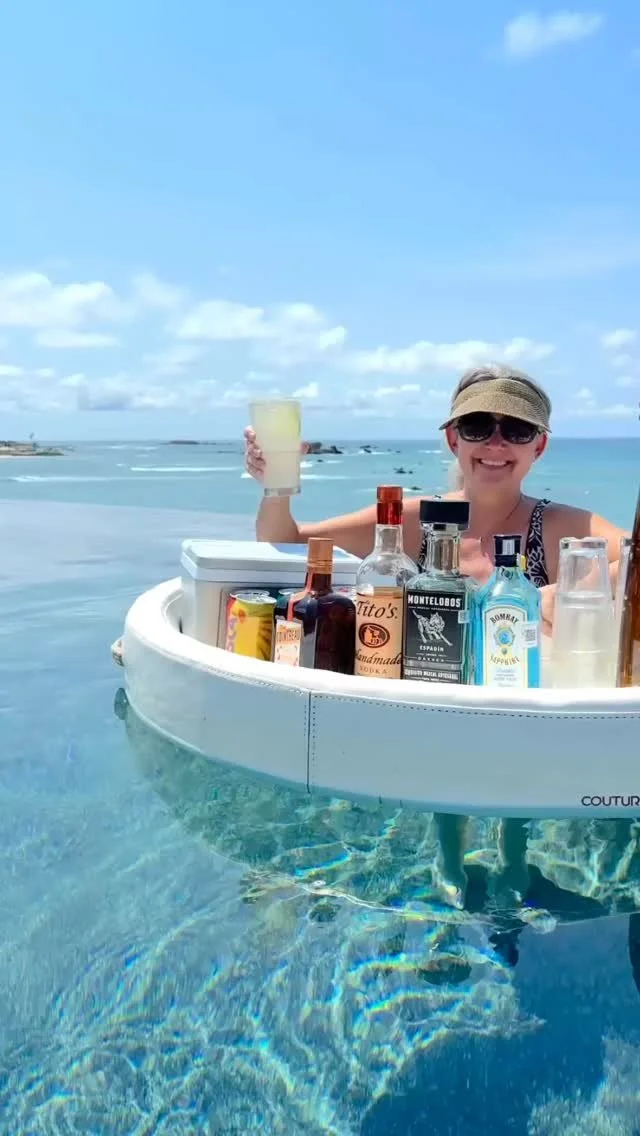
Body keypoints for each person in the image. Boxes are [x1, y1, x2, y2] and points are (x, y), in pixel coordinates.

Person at [243, 363, 629, 633]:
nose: (496, 443)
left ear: (538, 447)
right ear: (453, 440)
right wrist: (276, 482)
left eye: (517, 429)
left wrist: (570, 592)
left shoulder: (556, 528)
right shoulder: (414, 521)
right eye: (477, 426)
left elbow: (637, 557)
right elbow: (285, 540)